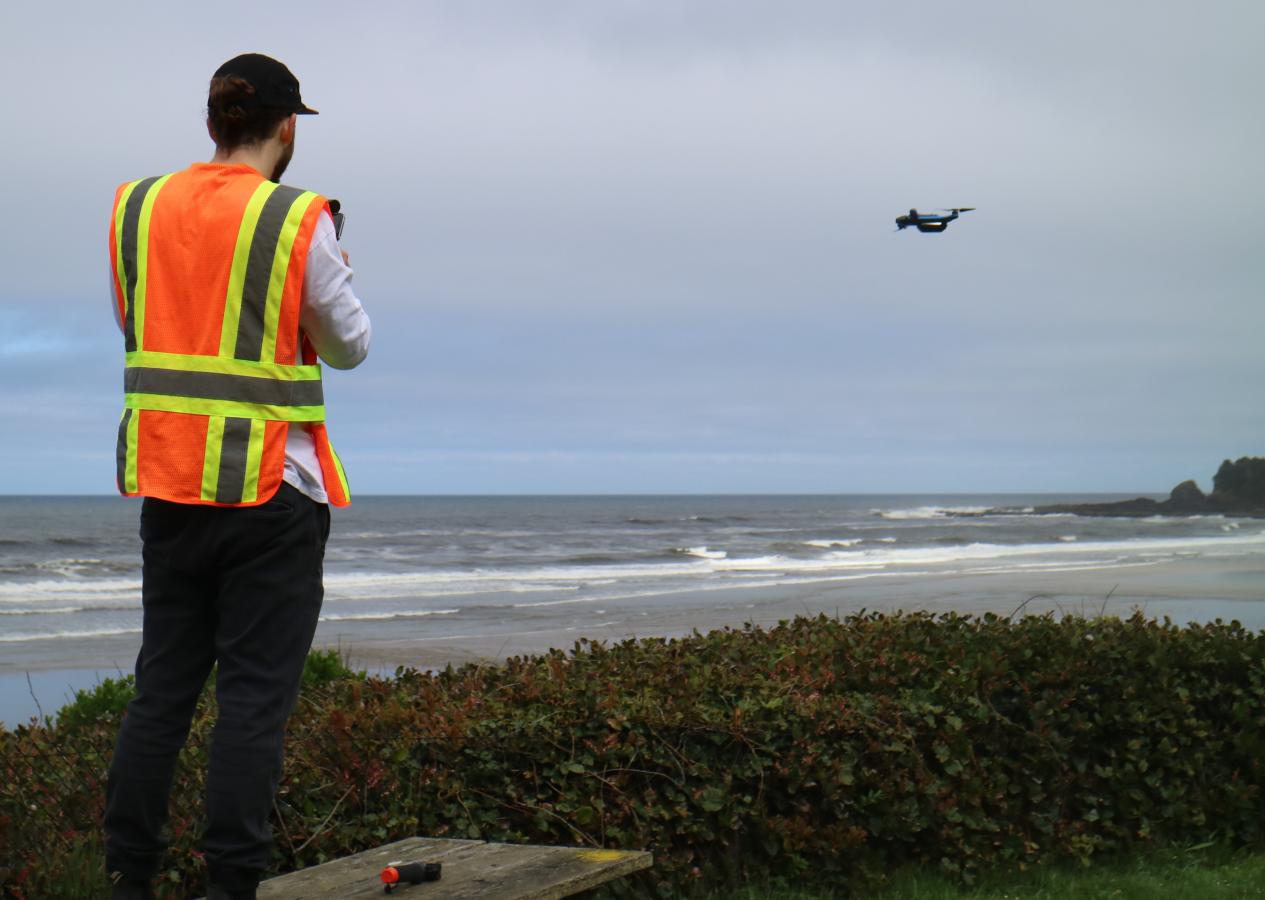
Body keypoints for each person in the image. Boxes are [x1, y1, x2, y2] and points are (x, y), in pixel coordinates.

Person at [103, 53, 371, 900]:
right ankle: (230, 887)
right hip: (270, 491)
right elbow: (350, 346)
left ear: (213, 122)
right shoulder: (298, 220)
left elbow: (140, 322)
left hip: (170, 486)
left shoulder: (135, 208)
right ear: (287, 127)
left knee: (162, 696)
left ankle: (128, 879)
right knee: (252, 705)